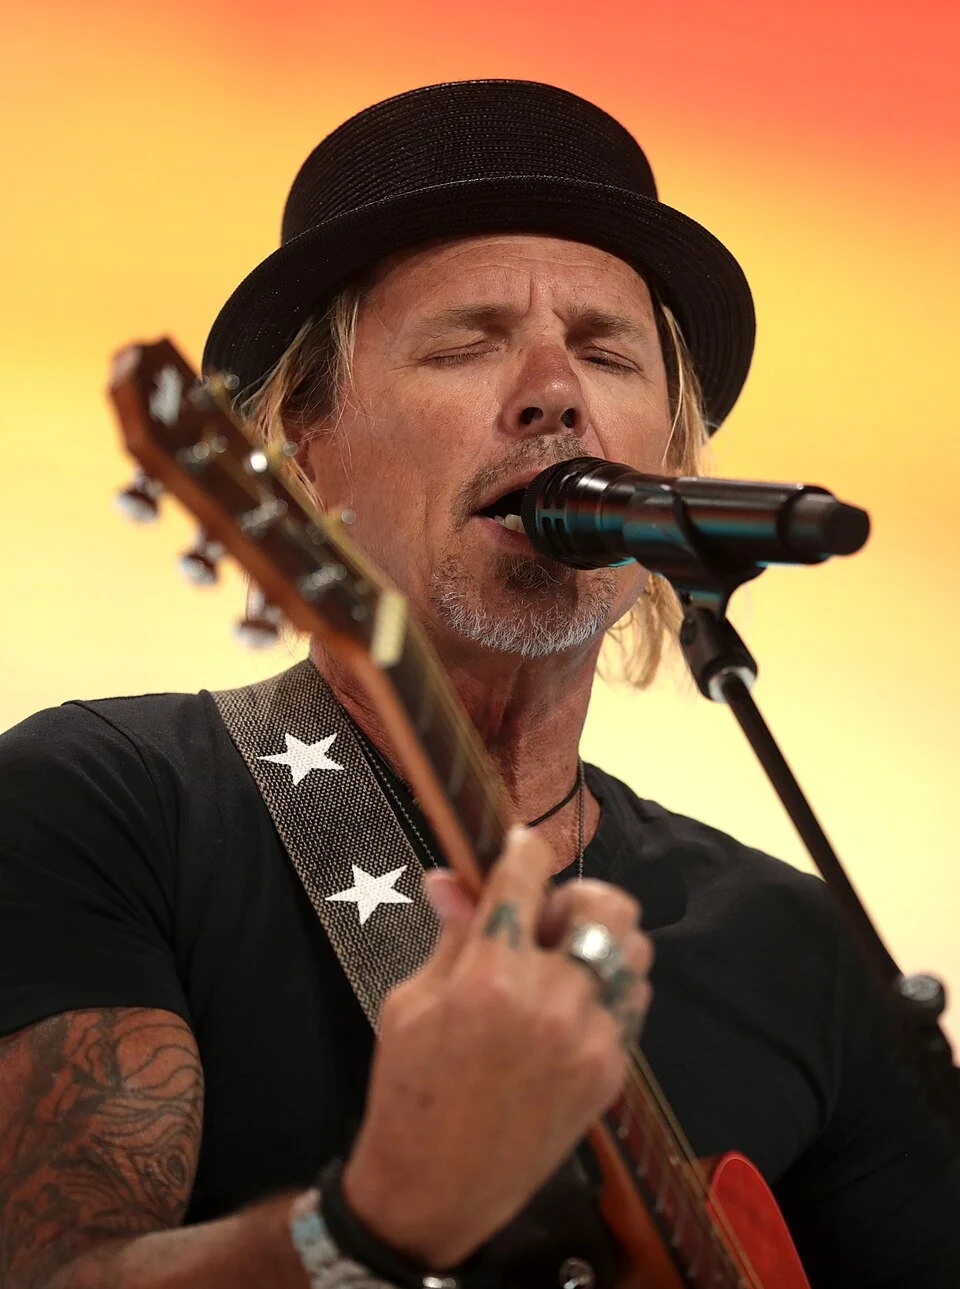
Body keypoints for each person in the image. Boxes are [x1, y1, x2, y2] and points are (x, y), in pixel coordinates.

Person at [0, 80, 957, 1289]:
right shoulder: (105, 806)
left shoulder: (798, 948)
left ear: (667, 457)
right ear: (303, 443)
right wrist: (373, 1222)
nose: (555, 390)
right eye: (469, 340)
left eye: (608, 350)